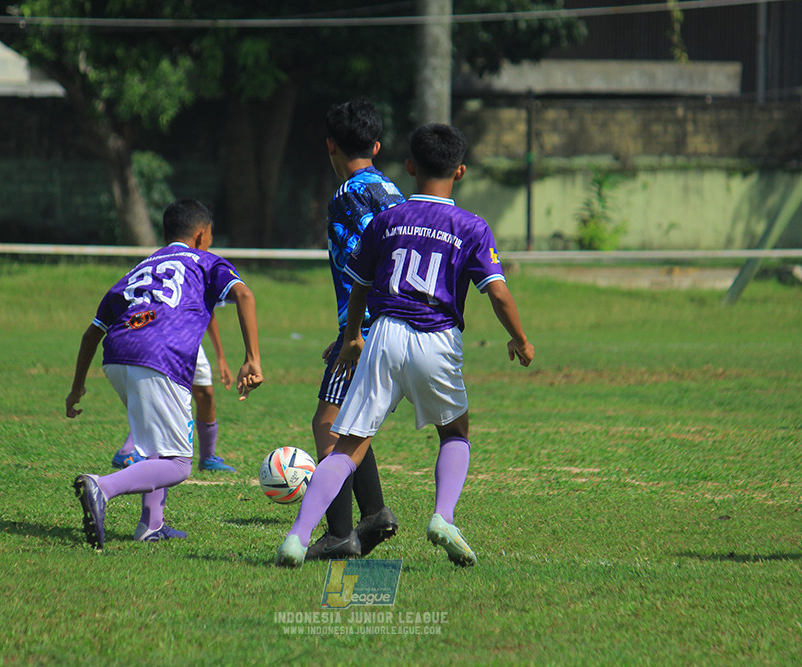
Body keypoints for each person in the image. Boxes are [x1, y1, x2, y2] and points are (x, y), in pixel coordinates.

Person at [276, 124, 534, 568]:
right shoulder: (471, 226)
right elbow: (497, 291)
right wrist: (521, 339)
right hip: (437, 338)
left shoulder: (387, 220)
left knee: (347, 446)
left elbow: (359, 287)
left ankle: (297, 538)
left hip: (384, 335)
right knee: (455, 432)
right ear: (462, 171)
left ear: (410, 167)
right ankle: (442, 517)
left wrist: (353, 336)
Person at [66, 198, 263, 550]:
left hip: (116, 355)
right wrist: (252, 358)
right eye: (212, 235)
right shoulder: (206, 261)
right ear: (202, 235)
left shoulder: (139, 268)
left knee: (158, 444)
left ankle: (151, 525)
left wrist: (77, 387)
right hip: (159, 356)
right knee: (178, 465)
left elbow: (92, 332)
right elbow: (245, 295)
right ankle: (102, 487)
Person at [306, 98, 407, 560]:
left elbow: (358, 268)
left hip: (367, 328)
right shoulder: (393, 192)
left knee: (328, 424)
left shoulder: (346, 196)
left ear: (329, 146)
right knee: (354, 425)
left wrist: (353, 332)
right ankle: (375, 514)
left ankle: (341, 533)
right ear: (378, 145)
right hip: (403, 324)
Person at [111, 313, 239, 473]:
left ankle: (208, 458)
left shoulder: (201, 287)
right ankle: (128, 451)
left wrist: (220, 356)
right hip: (157, 337)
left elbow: (210, 309)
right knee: (160, 396)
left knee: (205, 393)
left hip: (189, 340)